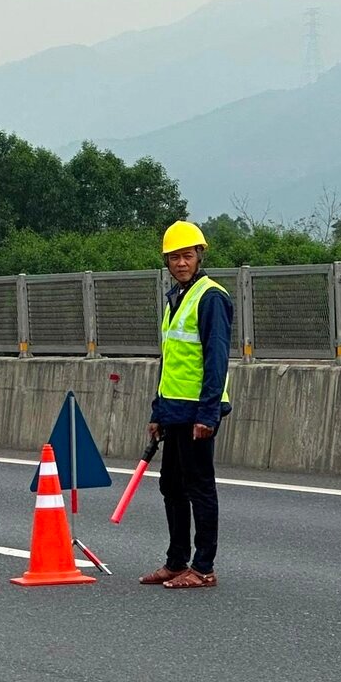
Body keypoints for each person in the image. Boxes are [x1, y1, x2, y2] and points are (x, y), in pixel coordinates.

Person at [140, 221, 232, 590]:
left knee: (199, 488)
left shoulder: (210, 297)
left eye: (187, 256)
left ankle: (203, 566)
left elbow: (216, 359)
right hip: (174, 409)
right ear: (167, 261)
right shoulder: (175, 298)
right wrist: (157, 412)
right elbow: (171, 360)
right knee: (171, 487)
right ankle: (176, 562)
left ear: (200, 256)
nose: (181, 263)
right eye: (175, 257)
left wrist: (208, 413)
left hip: (198, 411)